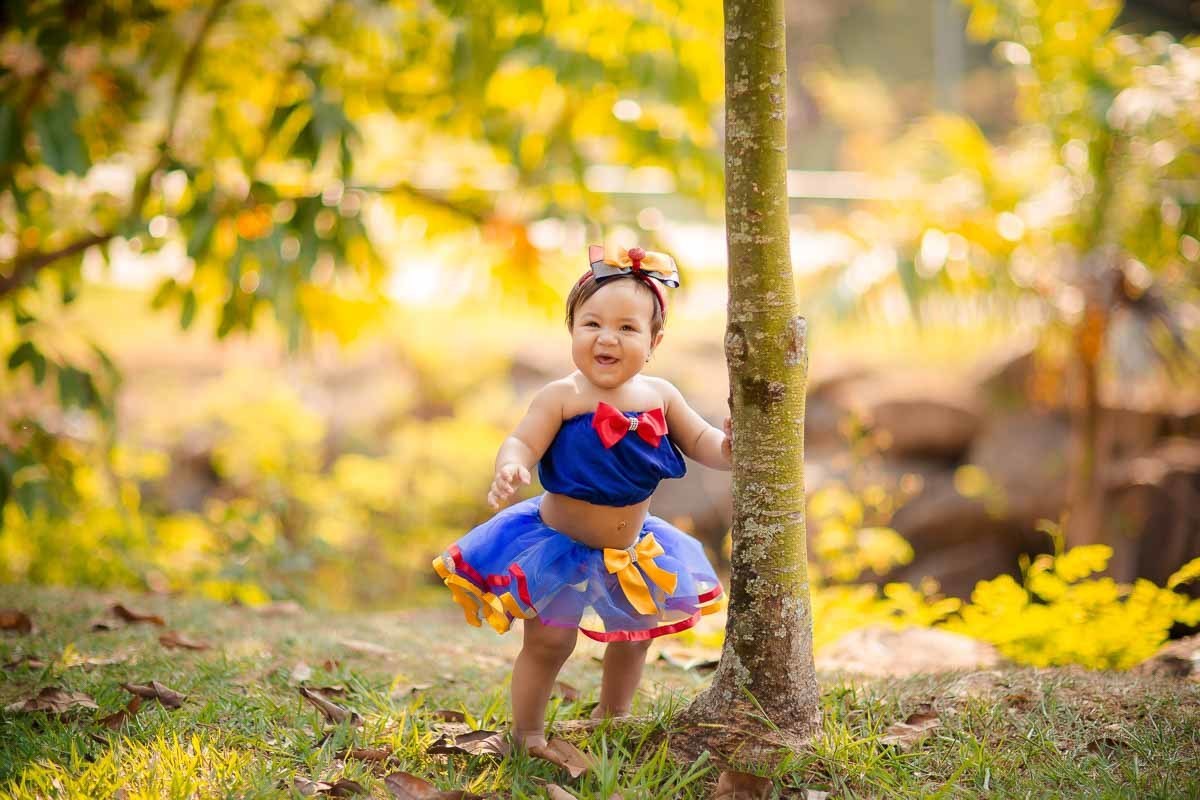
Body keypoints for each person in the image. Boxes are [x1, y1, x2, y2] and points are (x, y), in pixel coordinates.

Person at [432, 243, 731, 750]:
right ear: (572, 329)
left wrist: (730, 447)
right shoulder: (562, 396)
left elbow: (703, 442)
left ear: (654, 341)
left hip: (631, 549)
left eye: (627, 328)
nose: (606, 338)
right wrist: (511, 465)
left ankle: (613, 715)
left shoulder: (661, 395)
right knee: (550, 641)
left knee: (636, 634)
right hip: (558, 546)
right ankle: (528, 731)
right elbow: (523, 440)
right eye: (591, 324)